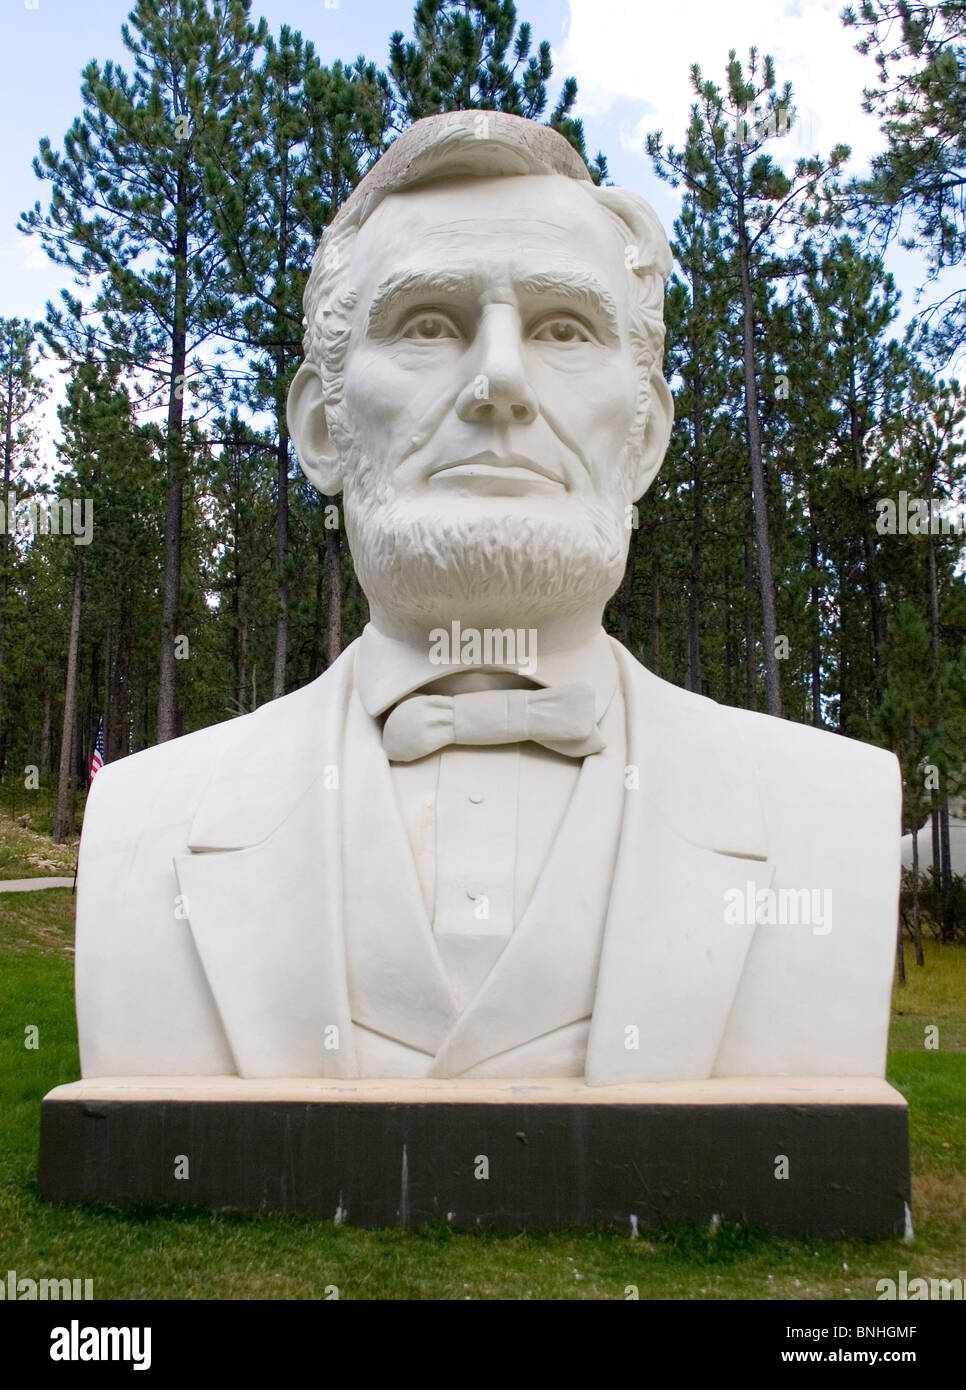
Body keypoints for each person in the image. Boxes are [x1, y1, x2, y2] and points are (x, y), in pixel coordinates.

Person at [75, 111, 900, 1085]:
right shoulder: (145, 818)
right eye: (429, 325)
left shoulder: (827, 811)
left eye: (564, 329)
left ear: (644, 439)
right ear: (322, 429)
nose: (499, 381)